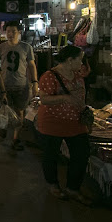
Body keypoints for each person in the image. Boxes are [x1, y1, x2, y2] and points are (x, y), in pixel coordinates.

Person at [37, 45, 92, 205]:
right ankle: (53, 184)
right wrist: (66, 98)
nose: (81, 63)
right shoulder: (49, 76)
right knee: (51, 155)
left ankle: (72, 188)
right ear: (70, 60)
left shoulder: (77, 74)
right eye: (80, 59)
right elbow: (44, 99)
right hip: (52, 122)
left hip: (76, 122)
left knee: (81, 154)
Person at [0, 21, 38, 151]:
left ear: (19, 32)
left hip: (21, 85)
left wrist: (35, 82)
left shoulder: (26, 47)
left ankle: (15, 139)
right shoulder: (1, 48)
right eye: (8, 31)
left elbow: (31, 65)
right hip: (4, 85)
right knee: (3, 110)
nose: (10, 34)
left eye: (13, 31)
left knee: (20, 111)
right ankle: (2, 128)